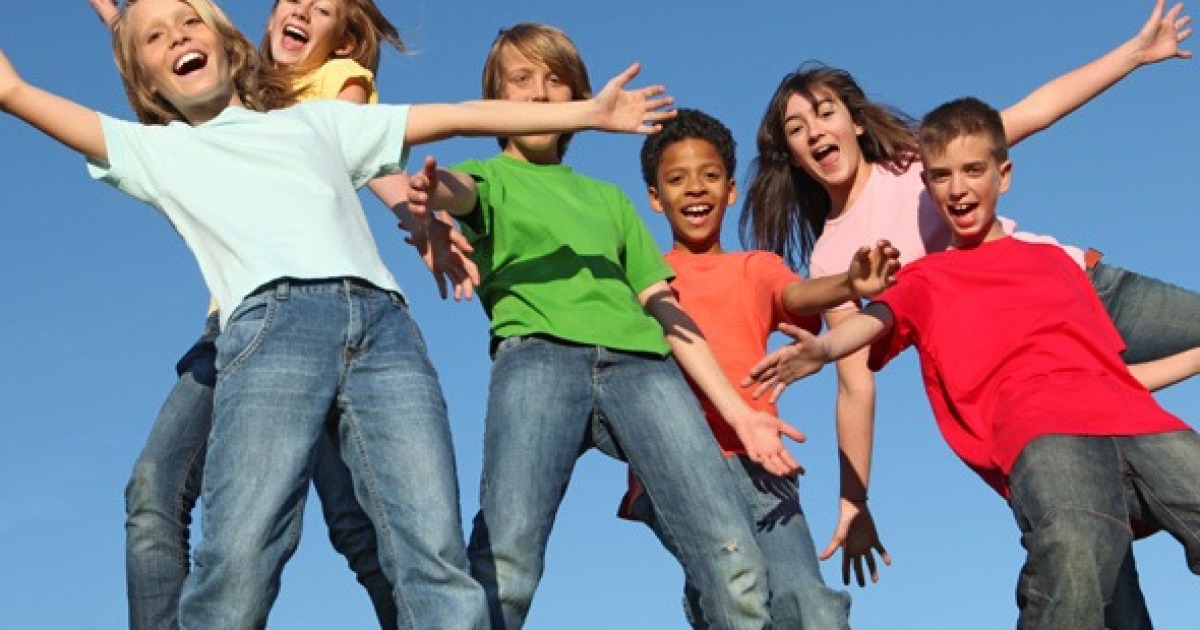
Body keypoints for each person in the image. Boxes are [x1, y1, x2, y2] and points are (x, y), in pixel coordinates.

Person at [0, 0, 675, 626]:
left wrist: (587, 112)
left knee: (434, 558)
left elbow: (457, 114)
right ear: (146, 82)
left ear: (229, 44)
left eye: (190, 22)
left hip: (385, 332)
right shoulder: (155, 151)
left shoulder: (317, 120)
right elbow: (16, 92)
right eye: (155, 37)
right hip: (272, 332)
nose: (177, 36)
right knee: (240, 557)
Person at [739, 2, 1199, 620]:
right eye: (797, 128)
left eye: (825, 112)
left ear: (854, 121)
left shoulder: (919, 161)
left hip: (1082, 292)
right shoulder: (832, 256)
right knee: (1088, 544)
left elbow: (1034, 112)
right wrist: (855, 499)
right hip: (1024, 369)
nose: (815, 131)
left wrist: (1134, 54)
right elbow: (855, 382)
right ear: (791, 154)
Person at [403, 23, 805, 630]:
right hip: (538, 359)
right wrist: (432, 190)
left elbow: (667, 311)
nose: (539, 93)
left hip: (643, 370)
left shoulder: (609, 200)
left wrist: (741, 413)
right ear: (496, 98)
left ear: (577, 98)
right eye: (521, 79)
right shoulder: (488, 178)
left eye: (555, 79)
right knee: (508, 563)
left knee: (733, 559)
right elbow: (456, 191)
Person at [84, 1, 471, 627]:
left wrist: (415, 213)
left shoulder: (333, 83)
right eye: (294, 1)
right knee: (154, 489)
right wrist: (117, 15)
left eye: (322, 11)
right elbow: (158, 46)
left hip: (322, 311)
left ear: (341, 39)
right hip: (239, 323)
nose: (302, 13)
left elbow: (362, 153)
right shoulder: (227, 72)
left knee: (359, 524)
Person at [621, 107, 901, 628]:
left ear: (730, 190)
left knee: (810, 605)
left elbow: (796, 295)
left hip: (762, 464)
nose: (695, 189)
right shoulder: (642, 279)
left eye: (709, 176)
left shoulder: (753, 267)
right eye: (677, 180)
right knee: (736, 583)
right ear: (655, 198)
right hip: (679, 464)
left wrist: (849, 284)